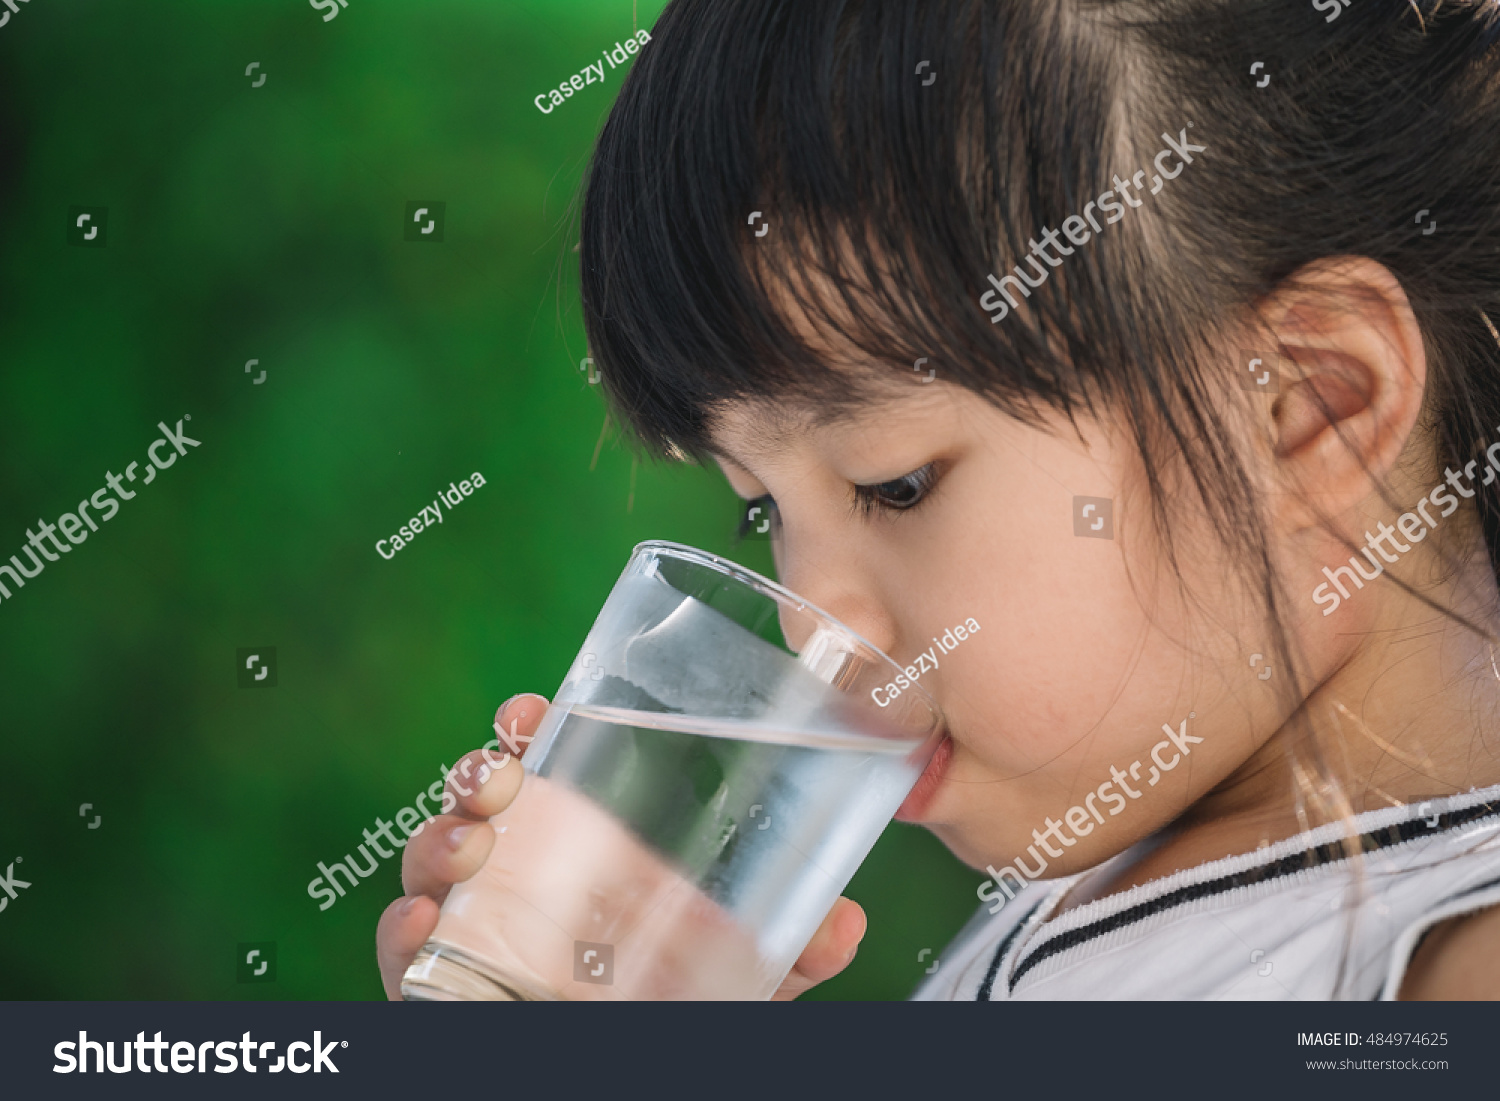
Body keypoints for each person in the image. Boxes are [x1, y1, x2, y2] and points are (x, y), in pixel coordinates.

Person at [378, 0, 1500, 1000]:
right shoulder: (1092, 880)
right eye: (760, 510)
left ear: (1308, 410)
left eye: (893, 484)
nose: (820, 628)